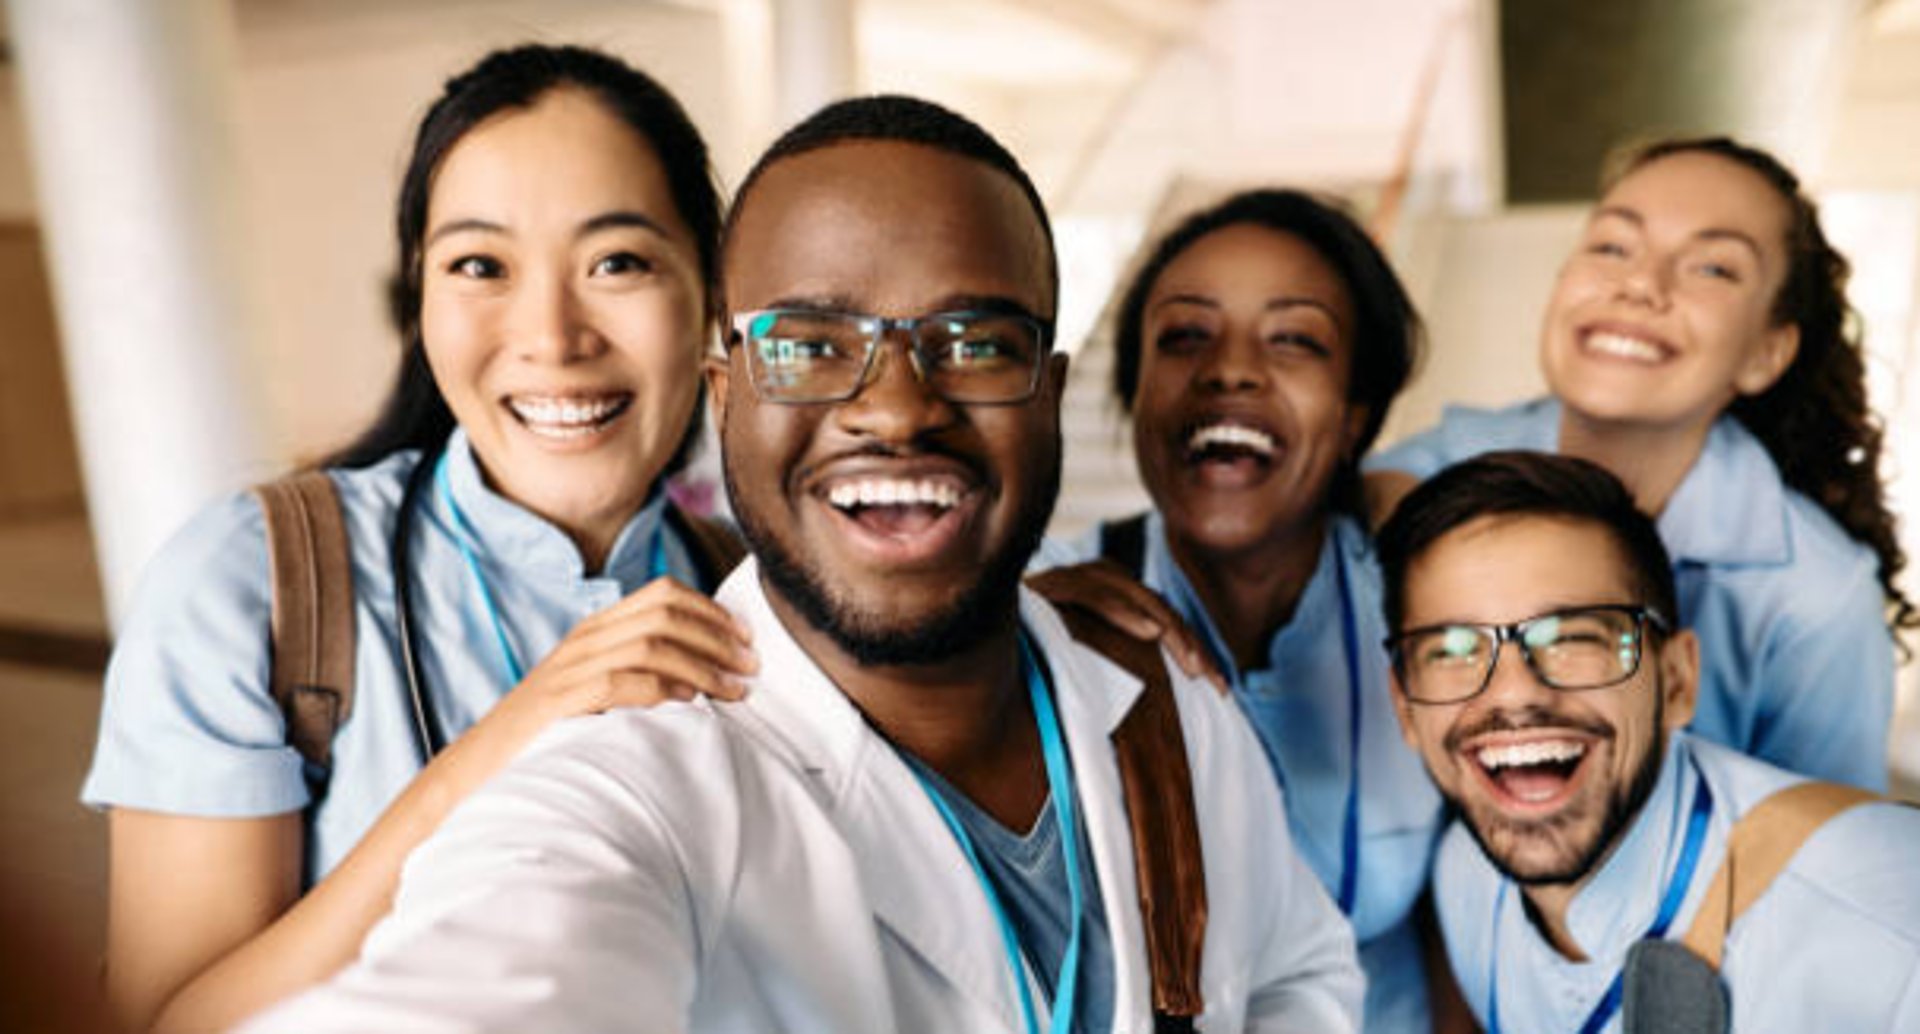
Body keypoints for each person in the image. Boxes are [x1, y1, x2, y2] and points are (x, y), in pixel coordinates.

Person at [240, 94, 1363, 1033]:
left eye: (974, 343)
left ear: (1052, 396)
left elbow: (1299, 974)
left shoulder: (1158, 690)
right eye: (811, 345)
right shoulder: (636, 789)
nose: (897, 409)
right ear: (726, 397)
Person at [80, 46, 759, 1033]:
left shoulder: (765, 595)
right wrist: (500, 745)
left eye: (618, 261)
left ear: (708, 298)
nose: (553, 334)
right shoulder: (256, 582)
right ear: (421, 300)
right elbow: (170, 1022)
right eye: (480, 265)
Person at [1365, 137, 1910, 791]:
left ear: (1766, 352)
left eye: (1713, 269)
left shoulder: (1816, 600)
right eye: (1612, 247)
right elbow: (1367, 493)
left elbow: (1829, 855)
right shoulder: (1481, 445)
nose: (1642, 285)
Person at [1034, 190, 1444, 1031]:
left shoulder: (1424, 602)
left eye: (1294, 339)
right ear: (1136, 395)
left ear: (1355, 416)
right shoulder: (1039, 609)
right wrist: (1008, 625)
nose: (1230, 368)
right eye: (1185, 336)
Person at [1376, 451, 1920, 1033]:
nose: (1513, 694)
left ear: (1677, 681)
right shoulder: (1467, 883)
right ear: (1405, 707)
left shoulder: (1884, 925)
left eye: (1574, 637)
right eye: (1453, 650)